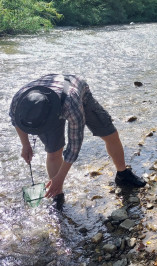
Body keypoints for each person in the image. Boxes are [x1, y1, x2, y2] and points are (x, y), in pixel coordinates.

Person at [10, 74, 146, 209]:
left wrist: (60, 177)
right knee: (53, 152)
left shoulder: (72, 103)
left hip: (77, 94)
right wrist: (25, 145)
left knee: (109, 134)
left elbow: (74, 145)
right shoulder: (20, 100)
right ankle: (57, 194)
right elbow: (16, 120)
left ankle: (122, 174)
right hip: (45, 109)